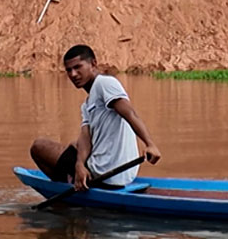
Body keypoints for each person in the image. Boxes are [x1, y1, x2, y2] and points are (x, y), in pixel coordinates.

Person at [30, 44, 162, 190]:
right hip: (119, 175)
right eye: (69, 70)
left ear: (93, 64)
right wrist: (79, 165)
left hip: (106, 174)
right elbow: (85, 137)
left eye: (78, 67)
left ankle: (69, 187)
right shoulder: (86, 105)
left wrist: (150, 144)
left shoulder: (105, 83)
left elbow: (130, 113)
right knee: (75, 144)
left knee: (38, 147)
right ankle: (76, 181)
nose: (73, 74)